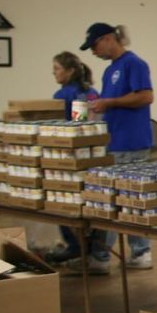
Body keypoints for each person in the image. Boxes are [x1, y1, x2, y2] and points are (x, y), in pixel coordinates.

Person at [73, 22, 154, 273]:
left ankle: (141, 251)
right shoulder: (110, 71)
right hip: (114, 142)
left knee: (131, 201)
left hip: (132, 142)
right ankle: (101, 256)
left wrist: (110, 102)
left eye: (95, 45)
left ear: (109, 39)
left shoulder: (134, 64)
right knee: (108, 202)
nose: (93, 52)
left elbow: (146, 96)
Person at [46, 52, 100, 264]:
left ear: (70, 71)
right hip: (93, 154)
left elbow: (55, 127)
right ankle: (93, 248)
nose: (54, 73)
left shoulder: (61, 95)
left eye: (57, 69)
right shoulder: (93, 92)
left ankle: (75, 247)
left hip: (68, 157)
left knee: (65, 203)